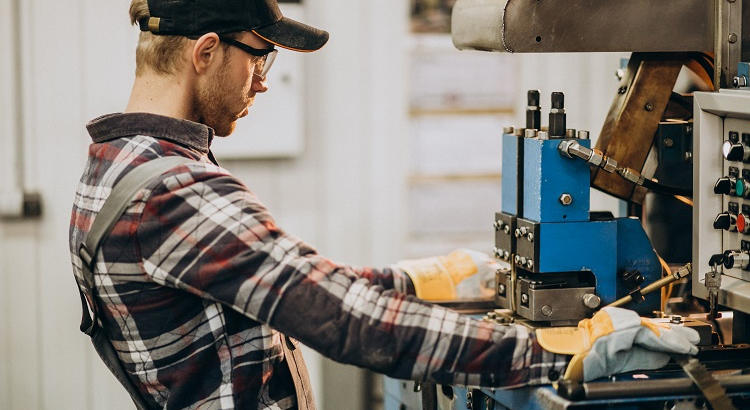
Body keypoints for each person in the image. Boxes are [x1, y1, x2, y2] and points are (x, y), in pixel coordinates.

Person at [69, 0, 700, 409]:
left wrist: (418, 279)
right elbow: (346, 321)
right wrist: (562, 354)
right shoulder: (175, 191)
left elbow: (282, 285)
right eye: (260, 56)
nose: (264, 78)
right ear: (206, 52)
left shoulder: (119, 167)